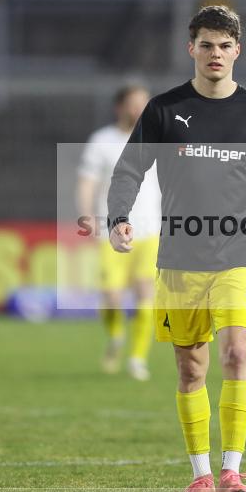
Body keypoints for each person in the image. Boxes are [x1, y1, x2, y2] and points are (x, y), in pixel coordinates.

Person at [107, 6, 246, 492]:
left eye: (224, 45)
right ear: (191, 48)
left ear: (238, 51)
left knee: (237, 354)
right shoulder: (164, 110)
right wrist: (118, 215)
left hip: (239, 256)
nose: (215, 54)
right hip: (180, 260)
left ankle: (232, 472)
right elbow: (128, 169)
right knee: (191, 370)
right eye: (206, 44)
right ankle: (200, 475)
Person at [78, 84, 159, 381]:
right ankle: (115, 336)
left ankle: (138, 359)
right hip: (112, 231)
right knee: (111, 296)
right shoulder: (102, 141)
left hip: (151, 230)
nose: (140, 109)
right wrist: (86, 212)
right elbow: (87, 181)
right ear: (120, 107)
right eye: (134, 103)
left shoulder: (157, 139)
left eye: (144, 102)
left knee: (145, 294)